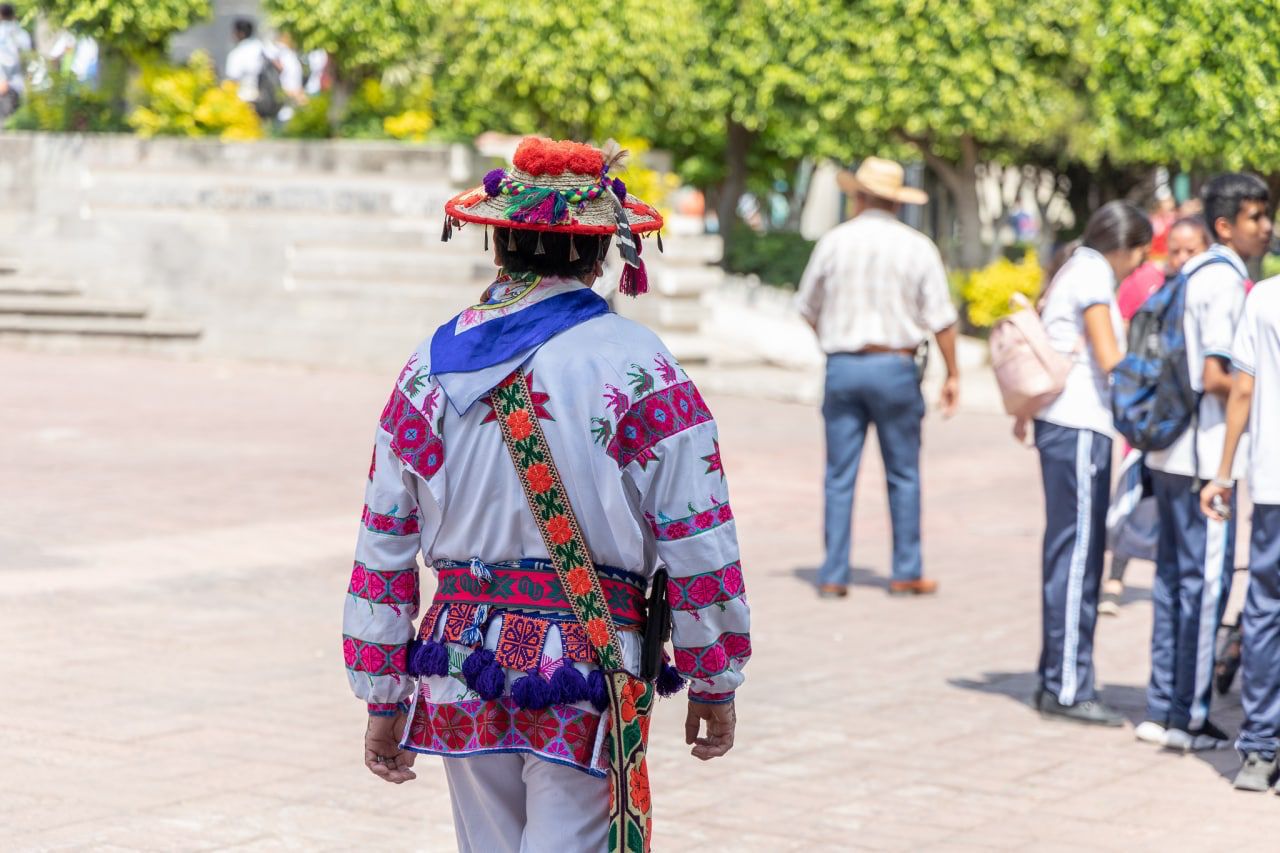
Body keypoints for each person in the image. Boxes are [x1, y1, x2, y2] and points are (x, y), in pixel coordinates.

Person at [343, 137, 749, 851]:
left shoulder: (425, 369)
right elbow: (698, 536)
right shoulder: (641, 366)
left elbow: (385, 537)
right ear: (600, 256)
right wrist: (713, 674)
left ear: (498, 243)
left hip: (460, 660)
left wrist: (384, 690)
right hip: (586, 663)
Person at [1141, 173, 1272, 752]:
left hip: (1171, 448)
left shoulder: (1190, 270)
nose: (1266, 228)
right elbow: (1219, 375)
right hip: (1205, 455)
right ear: (1226, 226)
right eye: (1255, 218)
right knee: (1205, 584)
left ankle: (1161, 704)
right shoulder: (1224, 282)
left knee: (1172, 580)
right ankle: (1188, 717)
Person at [795, 156, 960, 600]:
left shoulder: (834, 242)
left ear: (860, 196)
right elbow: (942, 318)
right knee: (903, 473)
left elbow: (807, 306)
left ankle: (833, 573)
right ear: (897, 202)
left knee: (839, 475)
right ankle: (906, 571)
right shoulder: (917, 245)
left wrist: (836, 341)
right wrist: (953, 373)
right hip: (896, 367)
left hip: (844, 366)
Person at [1025, 201, 1151, 726]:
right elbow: (1110, 360)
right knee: (1078, 556)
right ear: (1129, 248)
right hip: (1079, 425)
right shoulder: (1096, 272)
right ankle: (1069, 687)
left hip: (1064, 425)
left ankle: (1057, 675)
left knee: (1067, 551)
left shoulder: (1074, 265)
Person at [1101, 215, 1213, 616]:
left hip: (1193, 435)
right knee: (1131, 497)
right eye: (1176, 251)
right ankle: (1114, 577)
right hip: (1150, 423)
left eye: (1192, 251)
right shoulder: (1146, 286)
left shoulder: (1217, 291)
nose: (1182, 259)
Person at [1201, 269, 1280, 791]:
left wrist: (1224, 473)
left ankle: (1259, 748)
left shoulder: (1266, 298)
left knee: (1267, 608)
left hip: (1274, 481)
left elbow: (1243, 392)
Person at [224, 18, 272, 114]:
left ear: (240, 33)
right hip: (267, 98)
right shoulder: (262, 47)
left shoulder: (237, 54)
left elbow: (233, 80)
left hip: (245, 100)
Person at [0, 3, 31, 121]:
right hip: (19, 85)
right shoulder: (23, 34)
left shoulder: (2, 33)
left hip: (4, 84)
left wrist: (3, 80)